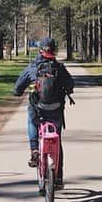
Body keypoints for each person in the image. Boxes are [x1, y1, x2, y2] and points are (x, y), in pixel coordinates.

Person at [13, 37, 74, 188]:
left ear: (40, 50)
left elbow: (17, 88)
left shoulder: (33, 67)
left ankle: (34, 150)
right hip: (56, 110)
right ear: (54, 50)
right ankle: (58, 177)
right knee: (57, 141)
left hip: (38, 110)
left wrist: (18, 92)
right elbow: (71, 86)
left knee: (31, 119)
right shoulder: (59, 68)